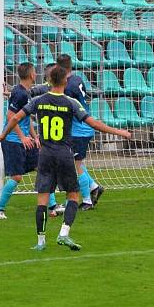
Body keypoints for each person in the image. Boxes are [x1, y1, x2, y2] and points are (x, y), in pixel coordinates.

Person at [0, 65, 131, 252]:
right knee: (73, 195)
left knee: (42, 199)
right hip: (64, 154)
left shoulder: (38, 100)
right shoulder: (71, 103)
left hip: (45, 155)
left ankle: (41, 241)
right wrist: (119, 132)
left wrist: (3, 134)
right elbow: (93, 123)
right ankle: (64, 233)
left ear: (49, 81)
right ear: (65, 81)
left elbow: (15, 118)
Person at [0, 62, 63, 219]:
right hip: (13, 140)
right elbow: (11, 117)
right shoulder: (20, 94)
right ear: (32, 75)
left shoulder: (25, 92)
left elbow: (26, 118)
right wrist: (22, 136)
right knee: (16, 177)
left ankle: (52, 207)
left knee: (43, 168)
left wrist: (33, 136)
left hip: (25, 139)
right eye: (34, 71)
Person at [57, 54, 104, 211]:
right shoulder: (77, 80)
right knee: (76, 163)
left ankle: (86, 201)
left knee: (75, 165)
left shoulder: (67, 86)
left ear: (59, 68)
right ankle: (94, 187)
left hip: (79, 131)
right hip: (82, 128)